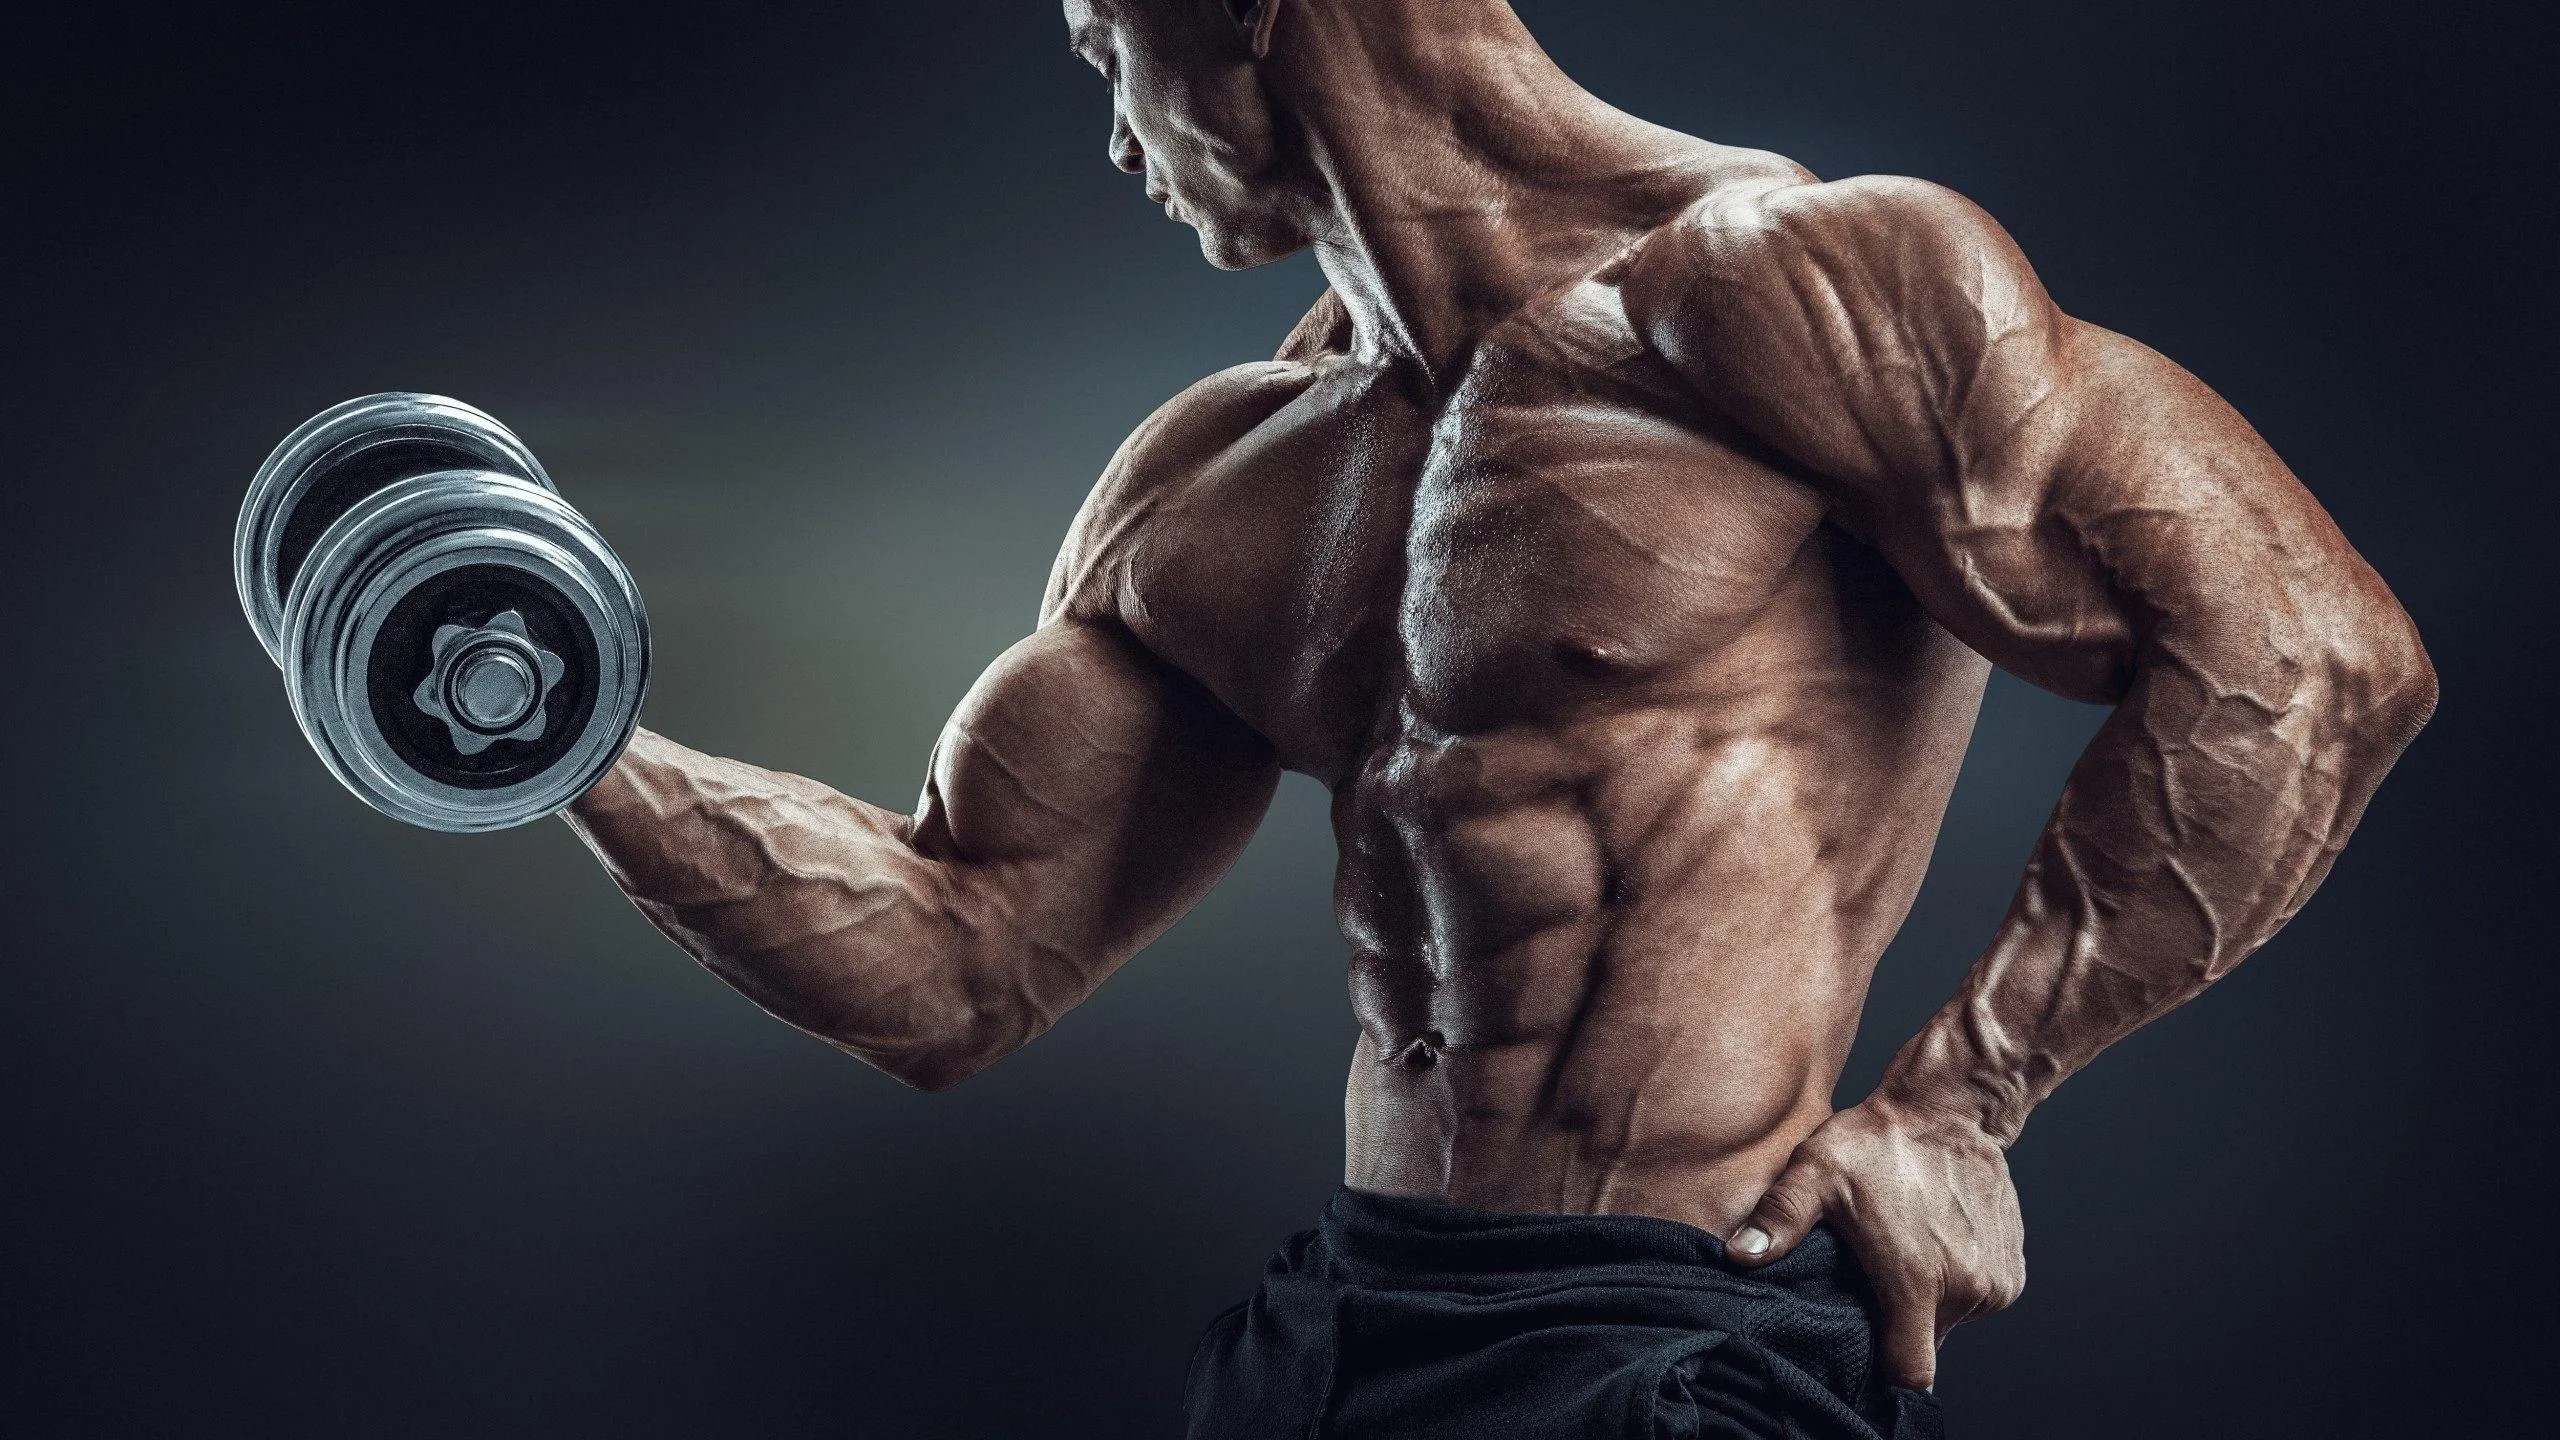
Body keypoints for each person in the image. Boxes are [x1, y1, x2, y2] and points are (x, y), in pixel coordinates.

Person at [562, 1, 2437, 1434]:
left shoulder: (1797, 287)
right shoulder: (1223, 474)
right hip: (1337, 1337)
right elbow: (958, 955)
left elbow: (2308, 659)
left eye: (1099, 36)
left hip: (1677, 1329)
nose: (1114, 126)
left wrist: (1963, 1110)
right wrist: (566, 740)